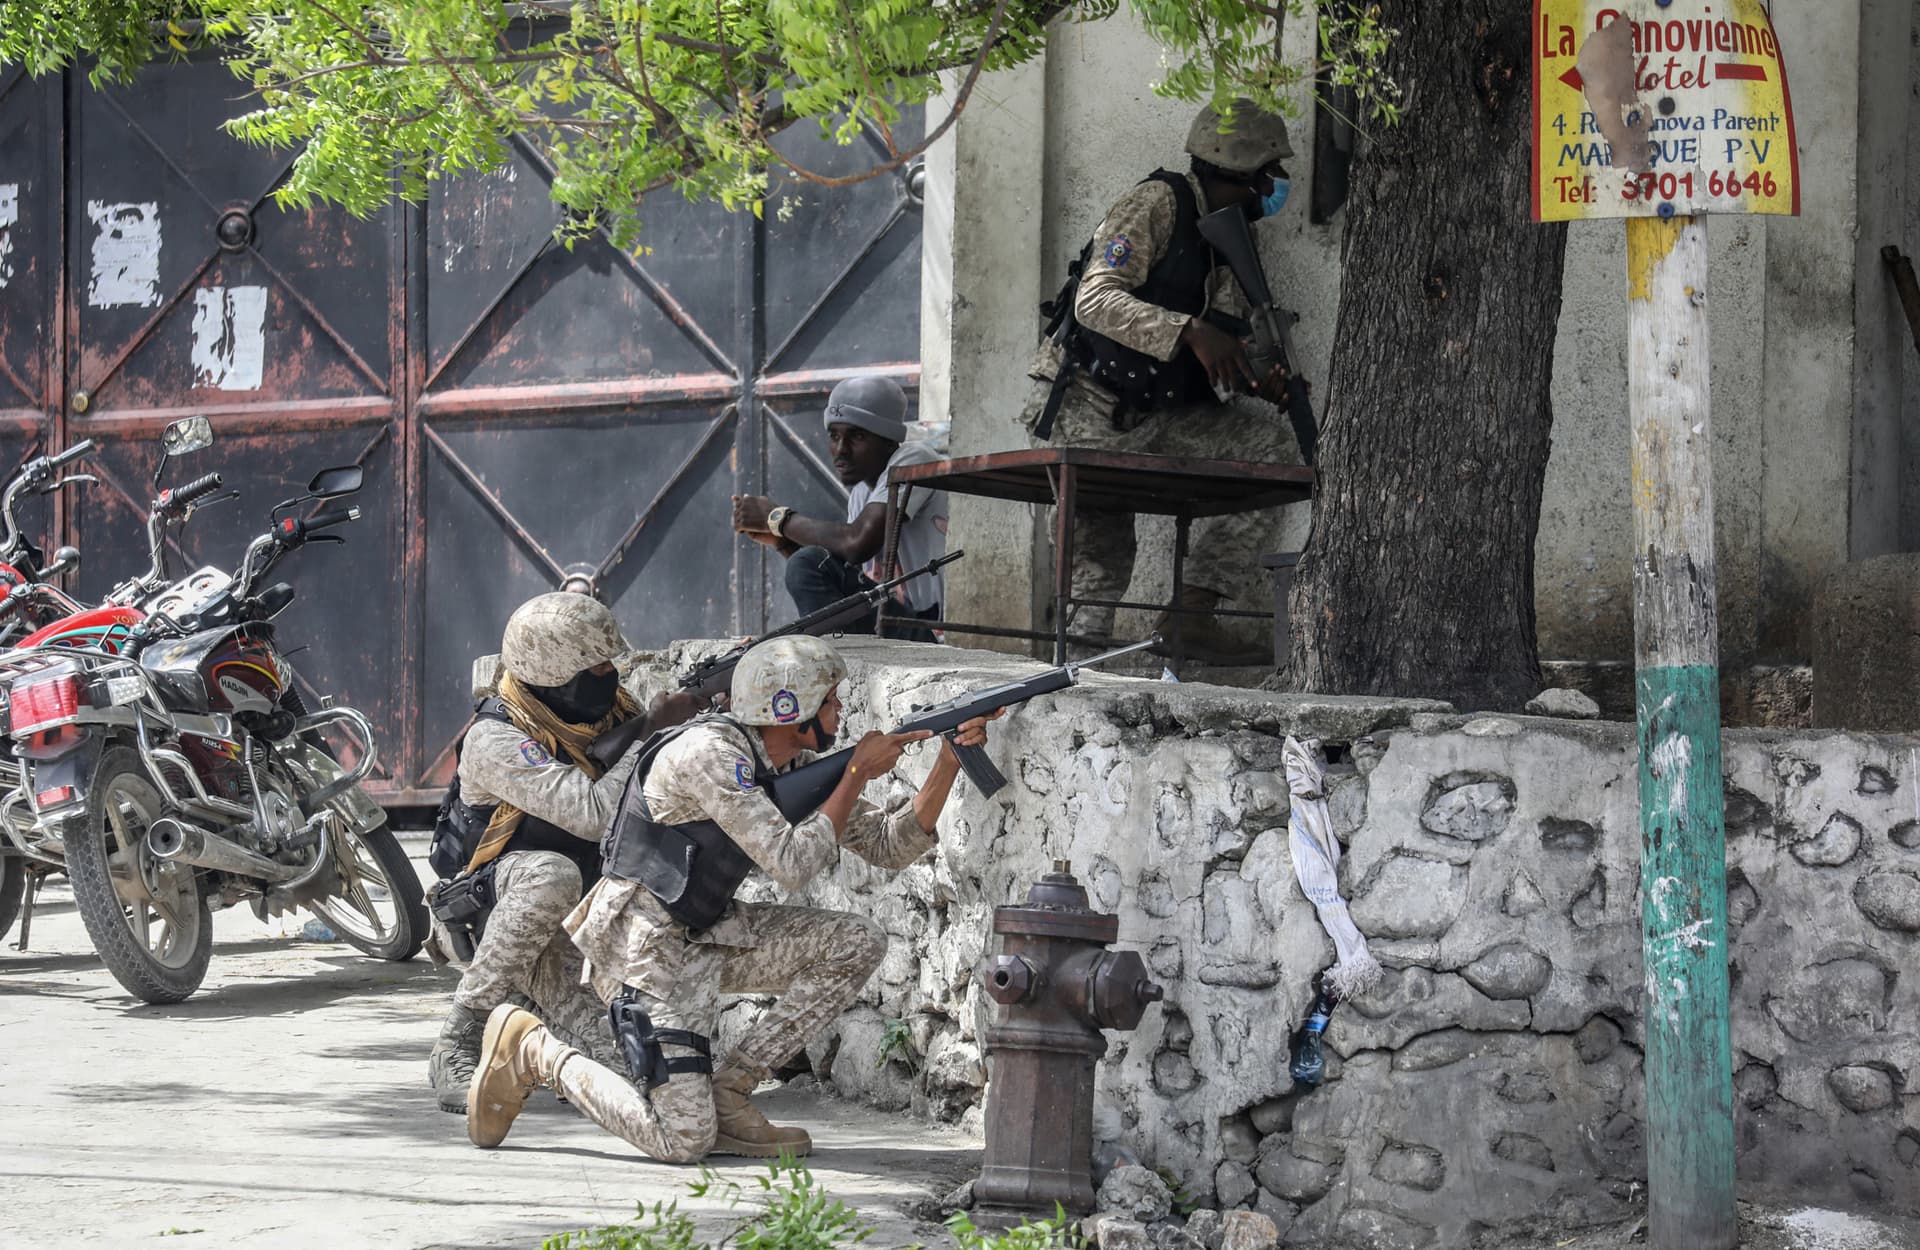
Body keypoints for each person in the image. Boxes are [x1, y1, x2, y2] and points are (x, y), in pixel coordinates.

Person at [461, 635, 996, 1161]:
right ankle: (536, 1053)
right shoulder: (709, 755)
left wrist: (949, 758)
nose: (839, 710)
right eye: (828, 700)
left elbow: (890, 843)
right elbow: (790, 864)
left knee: (856, 942)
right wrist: (855, 773)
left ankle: (732, 1090)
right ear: (790, 709)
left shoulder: (786, 764)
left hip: (710, 932)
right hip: (647, 952)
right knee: (682, 1140)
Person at [1020, 98, 1307, 665]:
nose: (1278, 186)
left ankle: (1191, 615)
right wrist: (1191, 331)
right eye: (1273, 173)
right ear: (1247, 173)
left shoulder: (1228, 242)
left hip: (1161, 416)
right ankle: (1070, 677)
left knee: (1267, 450)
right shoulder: (1156, 203)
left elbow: (1218, 355)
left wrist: (1254, 377)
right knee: (1102, 560)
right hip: (1088, 408)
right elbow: (1094, 300)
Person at [425, 592, 702, 1113]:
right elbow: (596, 812)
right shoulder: (496, 737)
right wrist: (652, 733)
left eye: (609, 661)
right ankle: (460, 1037)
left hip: (583, 918)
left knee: (640, 1070)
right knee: (551, 873)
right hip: (500, 909)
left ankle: (527, 1025)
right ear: (552, 672)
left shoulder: (608, 715)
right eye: (595, 665)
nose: (609, 674)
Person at [731, 375, 948, 641]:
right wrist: (782, 544)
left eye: (857, 436)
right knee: (808, 562)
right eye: (834, 436)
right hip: (895, 625)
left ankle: (829, 658)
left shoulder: (915, 460)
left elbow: (857, 544)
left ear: (889, 440)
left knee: (807, 562)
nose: (840, 450)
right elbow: (841, 576)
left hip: (932, 634)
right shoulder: (861, 493)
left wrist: (777, 518)